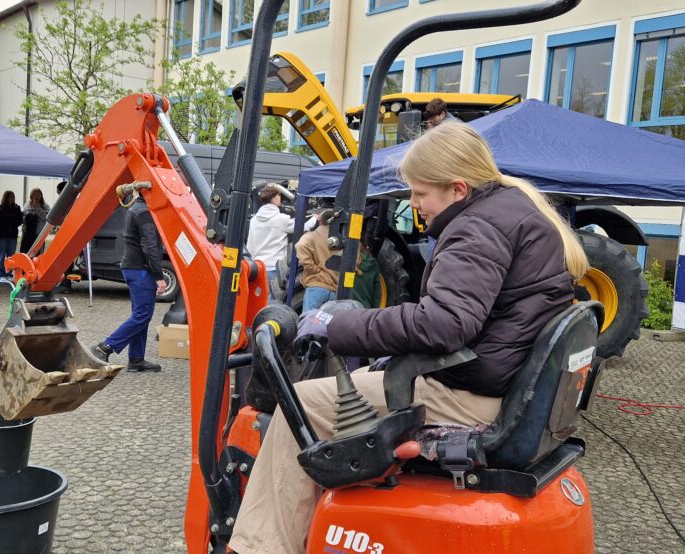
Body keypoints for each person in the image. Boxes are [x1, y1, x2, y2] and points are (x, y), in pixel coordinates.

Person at [228, 121, 589, 554]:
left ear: (458, 188)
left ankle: (258, 546)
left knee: (298, 405)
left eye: (420, 193)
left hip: (468, 393)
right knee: (347, 389)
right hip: (496, 382)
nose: (415, 205)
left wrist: (336, 327)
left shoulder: (477, 227)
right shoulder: (512, 211)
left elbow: (444, 323)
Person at [90, 193, 167, 373]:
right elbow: (150, 247)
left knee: (141, 315)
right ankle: (105, 347)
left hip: (133, 268)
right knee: (142, 315)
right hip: (140, 270)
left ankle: (136, 359)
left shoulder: (136, 208)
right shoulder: (144, 212)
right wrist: (159, 276)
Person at [246, 183, 294, 288]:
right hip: (274, 268)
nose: (280, 198)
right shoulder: (282, 219)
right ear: (274, 199)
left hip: (257, 267)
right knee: (272, 297)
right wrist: (316, 218)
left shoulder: (254, 220)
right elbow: (301, 227)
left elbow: (250, 244)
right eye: (279, 195)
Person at [295, 210, 337, 312]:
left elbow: (300, 245)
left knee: (309, 320)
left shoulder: (313, 235)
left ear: (320, 220)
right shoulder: (340, 239)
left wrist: (313, 269)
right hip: (335, 290)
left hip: (317, 286)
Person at [0, 191, 23, 283]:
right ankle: (1, 274)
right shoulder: (0, 208)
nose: (12, 199)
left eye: (13, 197)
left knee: (11, 256)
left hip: (13, 235)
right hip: (2, 235)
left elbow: (20, 221)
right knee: (1, 256)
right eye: (10, 197)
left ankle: (9, 273)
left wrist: (10, 221)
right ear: (6, 198)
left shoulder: (17, 208)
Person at [20, 188, 48, 254]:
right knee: (26, 252)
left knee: (38, 253)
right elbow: (23, 218)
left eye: (38, 194)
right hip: (27, 233)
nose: (36, 196)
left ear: (41, 196)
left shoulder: (45, 206)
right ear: (31, 196)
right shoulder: (27, 205)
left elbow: (46, 218)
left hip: (39, 234)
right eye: (34, 194)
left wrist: (38, 208)